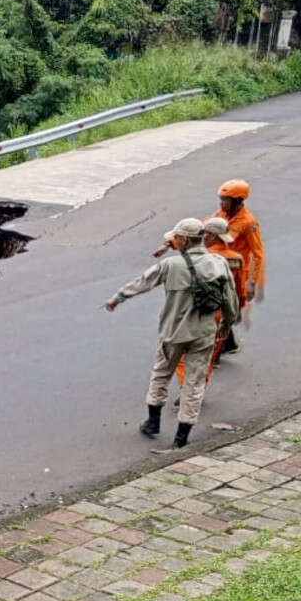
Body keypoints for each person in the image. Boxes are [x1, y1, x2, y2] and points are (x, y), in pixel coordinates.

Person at [104, 218, 239, 448]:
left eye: (177, 237)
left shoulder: (171, 265)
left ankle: (153, 423)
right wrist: (227, 323)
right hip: (203, 334)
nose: (175, 241)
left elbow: (143, 282)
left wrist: (117, 298)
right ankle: (181, 438)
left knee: (161, 374)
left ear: (185, 239)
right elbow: (230, 299)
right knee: (194, 384)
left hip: (173, 334)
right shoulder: (218, 263)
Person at [176, 217, 240, 386]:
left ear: (210, 236)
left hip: (198, 311)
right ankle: (200, 384)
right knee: (208, 354)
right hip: (221, 309)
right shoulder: (234, 257)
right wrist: (230, 318)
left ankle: (187, 387)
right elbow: (235, 287)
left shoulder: (206, 258)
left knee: (185, 353)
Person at [214, 179, 264, 353]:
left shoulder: (249, 223)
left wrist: (252, 283)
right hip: (220, 268)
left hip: (236, 273)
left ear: (237, 201)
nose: (221, 203)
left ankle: (218, 351)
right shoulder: (221, 214)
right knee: (221, 309)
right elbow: (206, 229)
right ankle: (228, 345)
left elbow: (258, 255)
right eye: (221, 199)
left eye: (225, 200)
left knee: (219, 310)